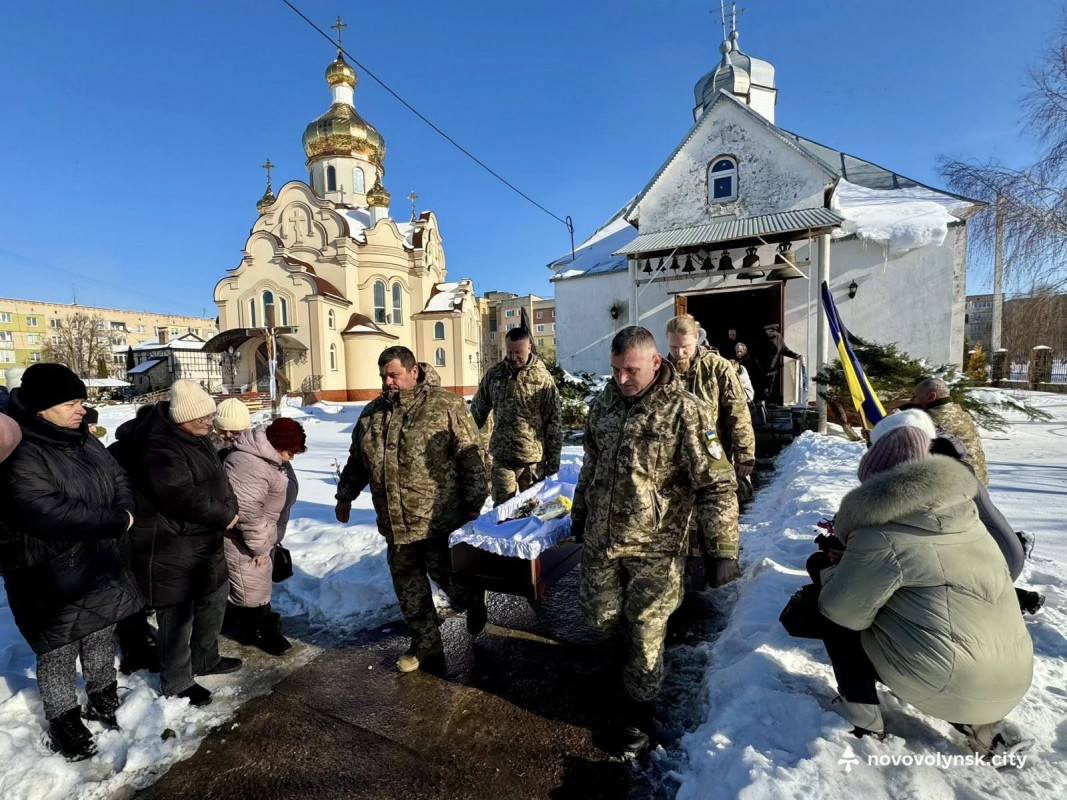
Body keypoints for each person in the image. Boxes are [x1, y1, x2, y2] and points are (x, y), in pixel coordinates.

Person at [812, 417, 1033, 754]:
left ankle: (862, 714)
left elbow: (844, 611)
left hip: (945, 681)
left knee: (835, 608)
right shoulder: (967, 518)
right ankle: (985, 728)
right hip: (1014, 679)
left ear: (876, 485)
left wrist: (836, 573)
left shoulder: (880, 535)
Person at [571, 327, 738, 753]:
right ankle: (624, 679)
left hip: (656, 547)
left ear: (655, 363)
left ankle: (638, 717)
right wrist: (580, 512)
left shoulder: (688, 411)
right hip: (602, 542)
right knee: (601, 618)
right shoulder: (604, 404)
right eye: (614, 370)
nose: (622, 379)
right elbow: (590, 464)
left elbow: (717, 483)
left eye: (631, 370)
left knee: (645, 629)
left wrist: (721, 549)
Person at [0, 364, 143, 760]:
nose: (82, 410)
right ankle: (64, 719)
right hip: (50, 573)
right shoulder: (19, 449)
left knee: (100, 633)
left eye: (82, 400)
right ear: (42, 408)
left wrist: (125, 511)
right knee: (58, 649)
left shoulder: (82, 439)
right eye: (72, 402)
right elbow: (44, 510)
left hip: (100, 562)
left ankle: (103, 695)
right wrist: (116, 521)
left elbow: (119, 480)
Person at [335, 346, 488, 673]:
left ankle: (474, 601)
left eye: (394, 375)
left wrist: (475, 503)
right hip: (395, 525)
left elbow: (471, 457)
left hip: (438, 520)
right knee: (409, 589)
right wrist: (345, 495)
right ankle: (426, 644)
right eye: (383, 376)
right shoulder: (372, 414)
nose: (387, 382)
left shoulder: (444, 406)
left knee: (452, 582)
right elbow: (357, 461)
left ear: (413, 372)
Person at [116, 380, 242, 707]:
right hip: (172, 542)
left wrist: (229, 508)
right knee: (177, 613)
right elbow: (179, 494)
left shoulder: (196, 437)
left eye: (211, 414)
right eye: (202, 416)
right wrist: (222, 515)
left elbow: (219, 480)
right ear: (182, 416)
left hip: (204, 538)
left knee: (214, 598)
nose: (209, 422)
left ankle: (205, 658)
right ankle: (177, 681)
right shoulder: (159, 445)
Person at [664, 314, 754, 588]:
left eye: (685, 347)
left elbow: (737, 412)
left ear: (697, 341)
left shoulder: (717, 368)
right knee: (678, 525)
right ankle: (682, 577)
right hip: (674, 462)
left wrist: (745, 454)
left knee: (717, 524)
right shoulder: (663, 369)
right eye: (673, 347)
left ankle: (719, 573)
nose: (679, 353)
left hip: (712, 458)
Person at [223, 417, 304, 655]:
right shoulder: (248, 465)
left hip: (263, 536)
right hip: (244, 542)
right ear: (277, 445)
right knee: (252, 588)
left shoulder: (276, 461)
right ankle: (257, 631)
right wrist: (259, 547)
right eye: (292, 451)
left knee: (257, 584)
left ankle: (256, 624)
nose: (294, 456)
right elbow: (247, 512)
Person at [469, 328, 562, 505]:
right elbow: (477, 411)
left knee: (532, 511)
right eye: (510, 352)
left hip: (532, 461)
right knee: (503, 510)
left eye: (518, 352)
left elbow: (554, 423)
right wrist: (468, 439)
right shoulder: (495, 375)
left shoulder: (542, 379)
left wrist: (553, 465)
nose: (513, 357)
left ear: (529, 347)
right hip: (502, 457)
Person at [108, 403, 160, 674]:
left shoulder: (148, 444)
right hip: (128, 530)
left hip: (152, 530)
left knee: (141, 588)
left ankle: (139, 638)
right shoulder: (123, 451)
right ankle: (134, 649)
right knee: (130, 590)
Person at [907, 377, 989, 485]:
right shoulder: (956, 410)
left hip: (959, 485)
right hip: (978, 479)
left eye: (915, 396)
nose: (911, 400)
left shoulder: (931, 419)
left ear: (931, 396)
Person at [762, 323, 801, 403]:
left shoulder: (778, 337)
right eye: (767, 332)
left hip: (773, 367)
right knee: (762, 388)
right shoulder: (762, 338)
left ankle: (770, 404)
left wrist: (795, 355)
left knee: (771, 387)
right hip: (761, 367)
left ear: (774, 331)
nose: (769, 333)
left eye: (771, 332)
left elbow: (784, 349)